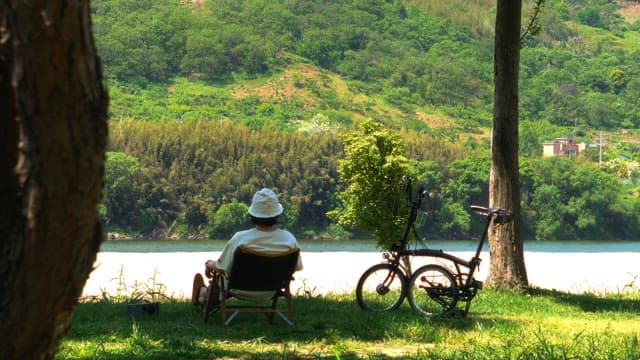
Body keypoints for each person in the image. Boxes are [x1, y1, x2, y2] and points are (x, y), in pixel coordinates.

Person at [192, 188, 303, 306]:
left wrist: (209, 264)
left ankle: (203, 294)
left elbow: (221, 266)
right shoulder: (289, 239)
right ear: (277, 215)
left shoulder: (240, 239)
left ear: (253, 215)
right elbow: (296, 267)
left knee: (220, 276)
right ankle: (204, 294)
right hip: (272, 290)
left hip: (237, 289)